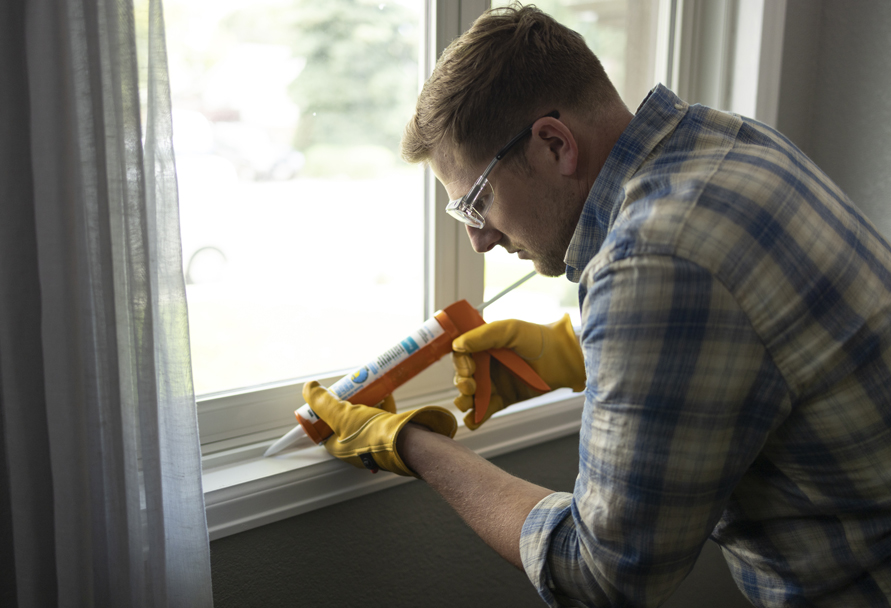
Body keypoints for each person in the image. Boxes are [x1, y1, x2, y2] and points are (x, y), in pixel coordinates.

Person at [303, 4, 891, 606]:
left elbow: (603, 579)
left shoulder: (653, 258)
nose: (478, 237)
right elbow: (754, 329)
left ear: (554, 144)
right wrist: (574, 353)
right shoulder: (726, 142)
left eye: (475, 203)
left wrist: (415, 445)